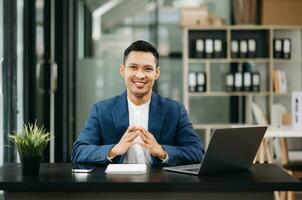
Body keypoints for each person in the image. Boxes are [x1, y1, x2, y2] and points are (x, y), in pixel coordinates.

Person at [71, 40, 204, 166]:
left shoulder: (175, 110)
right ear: (123, 70)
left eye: (147, 69)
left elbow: (197, 152)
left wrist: (161, 152)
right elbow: (79, 151)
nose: (140, 75)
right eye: (133, 67)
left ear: (157, 73)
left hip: (160, 186)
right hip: (115, 185)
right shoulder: (101, 110)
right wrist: (114, 150)